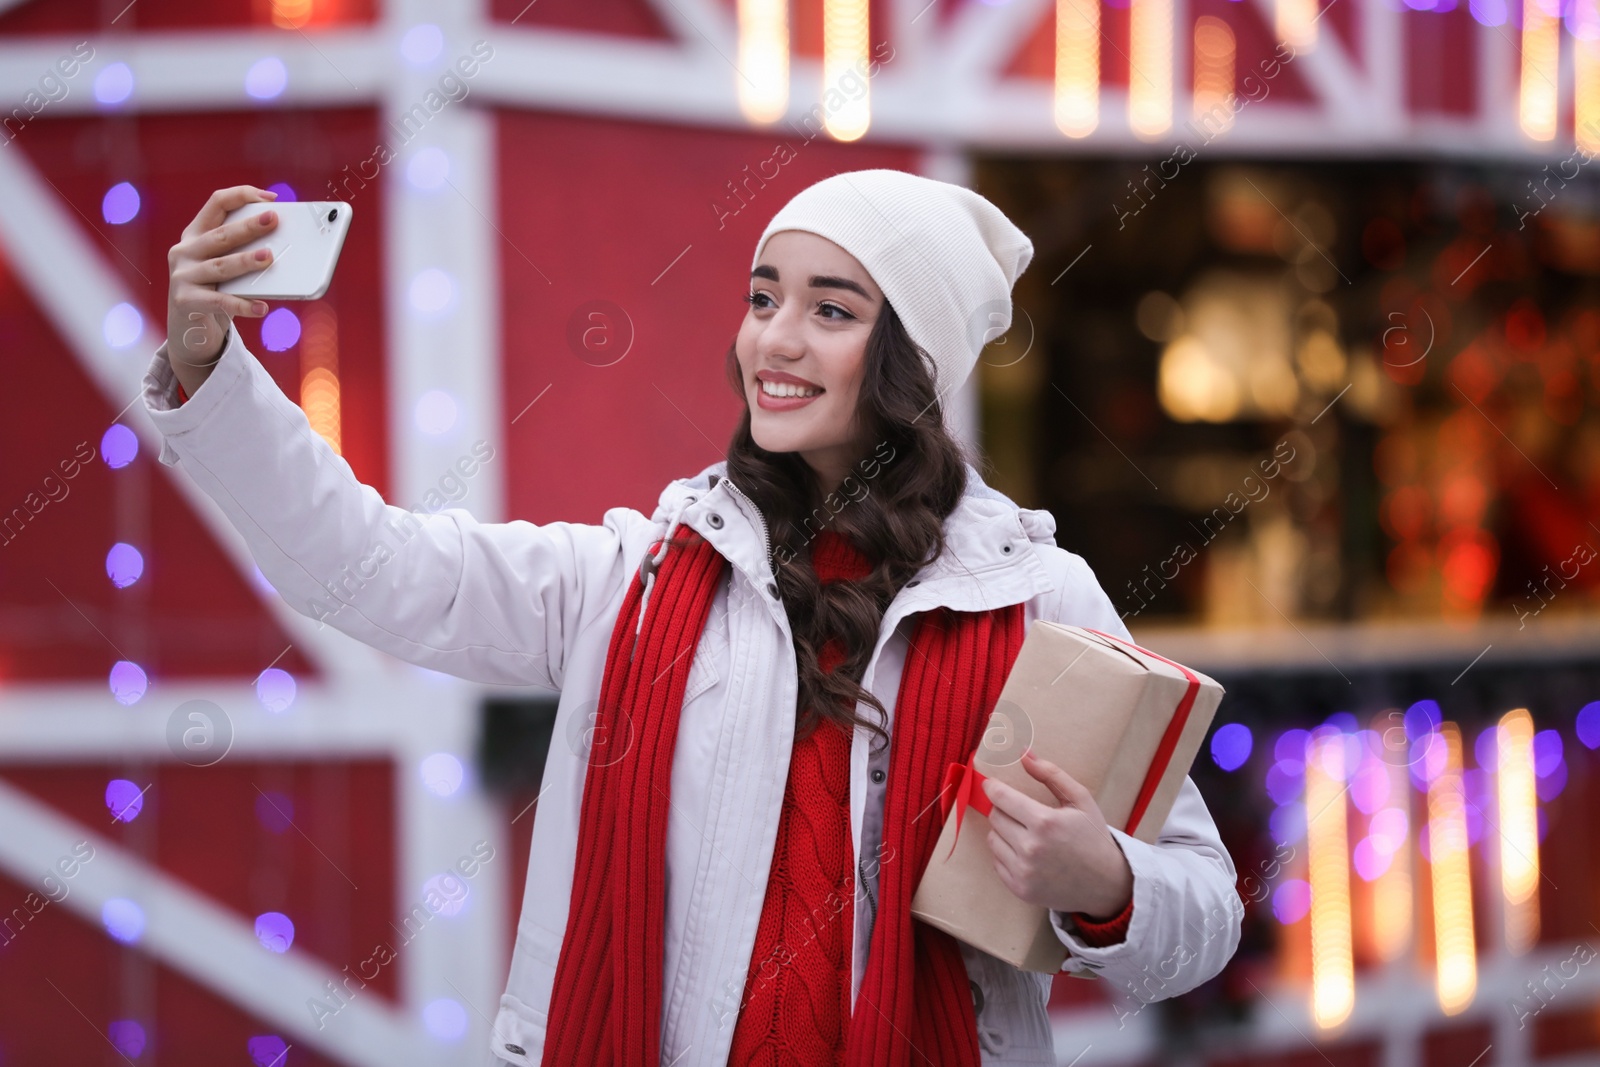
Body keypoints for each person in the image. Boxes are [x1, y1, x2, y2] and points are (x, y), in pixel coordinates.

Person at [145, 170, 1242, 1066]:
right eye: (764, 297)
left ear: (913, 359)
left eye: (830, 309)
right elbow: (365, 567)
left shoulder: (1032, 597)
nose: (774, 339)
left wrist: (1104, 883)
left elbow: (1203, 916)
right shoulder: (635, 576)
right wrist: (210, 367)